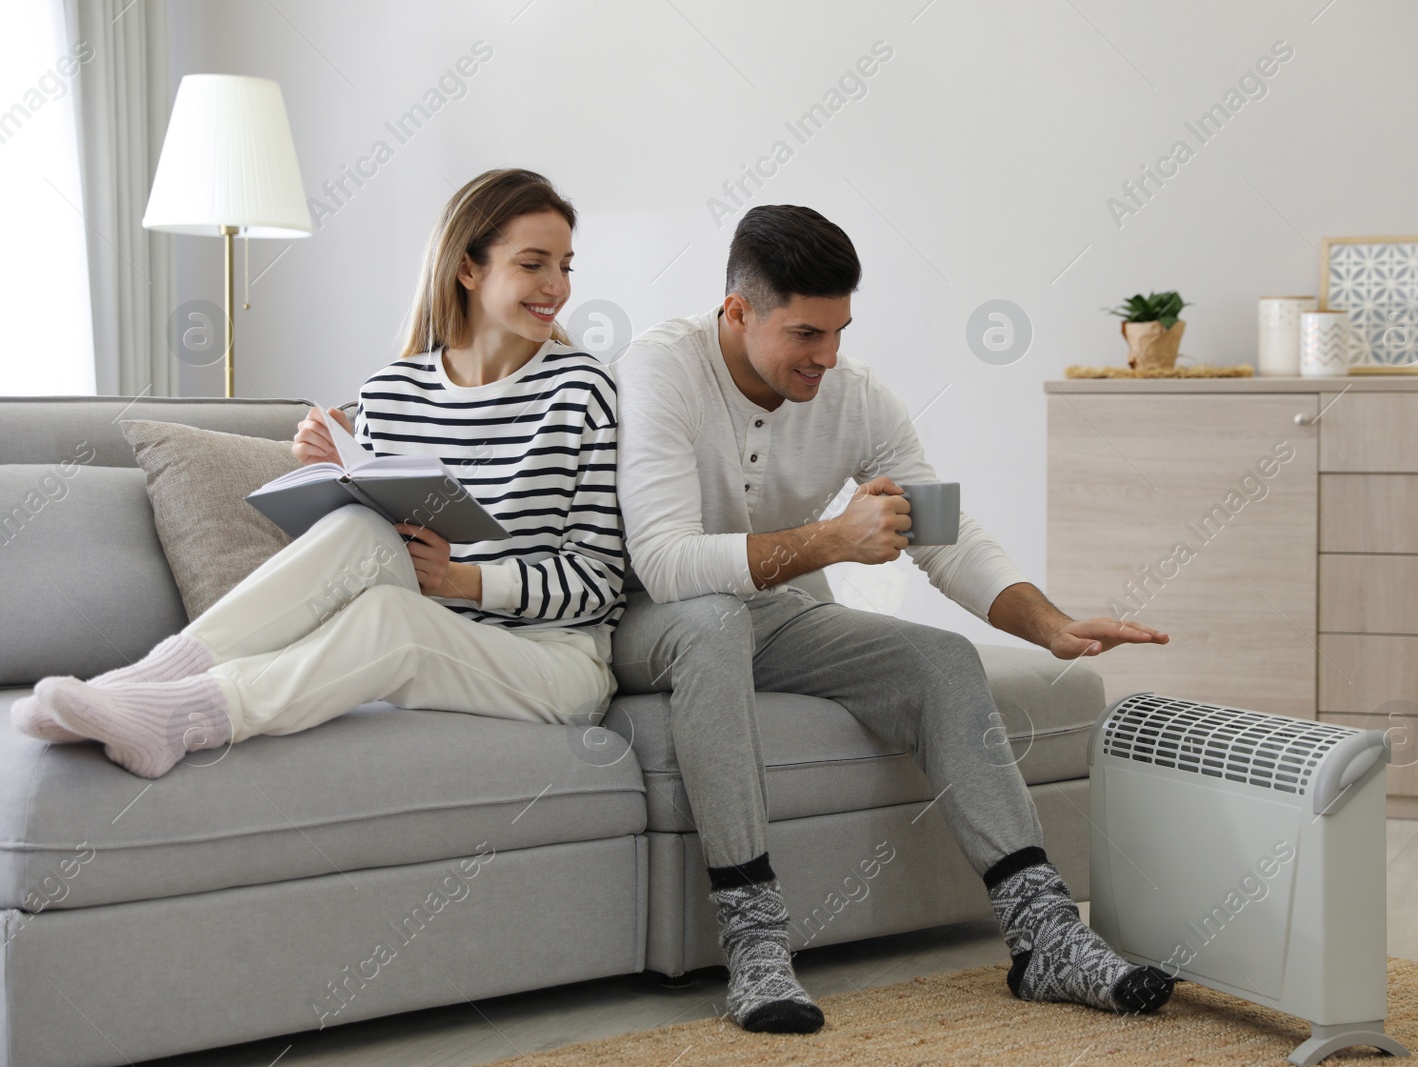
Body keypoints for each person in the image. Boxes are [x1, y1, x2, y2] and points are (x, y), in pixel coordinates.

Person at [613, 204, 1174, 1035]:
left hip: (768, 614)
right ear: (738, 311)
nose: (827, 357)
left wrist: (1048, 624)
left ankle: (1044, 936)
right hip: (653, 623)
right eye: (806, 333)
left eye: (838, 330)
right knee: (712, 624)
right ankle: (758, 946)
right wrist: (832, 539)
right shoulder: (663, 368)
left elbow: (941, 534)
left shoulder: (852, 394)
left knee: (943, 659)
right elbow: (664, 561)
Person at [12, 169, 624, 779]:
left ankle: (174, 716)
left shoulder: (581, 389)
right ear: (468, 269)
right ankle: (145, 685)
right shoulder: (391, 391)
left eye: (565, 266)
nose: (556, 287)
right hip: (432, 625)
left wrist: (462, 580)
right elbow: (374, 548)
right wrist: (340, 471)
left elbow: (599, 581)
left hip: (554, 660)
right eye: (533, 264)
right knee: (361, 528)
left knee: (393, 618)